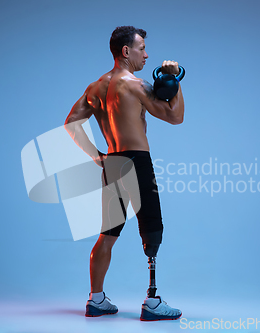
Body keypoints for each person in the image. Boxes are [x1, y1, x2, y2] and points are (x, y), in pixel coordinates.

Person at [64, 26, 184, 321]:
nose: (147, 54)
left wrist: (97, 157)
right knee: (152, 227)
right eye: (142, 48)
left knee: (108, 232)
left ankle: (96, 299)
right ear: (126, 51)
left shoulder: (95, 87)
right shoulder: (136, 85)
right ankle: (153, 301)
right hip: (138, 161)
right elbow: (175, 116)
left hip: (114, 161)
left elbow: (71, 123)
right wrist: (176, 79)